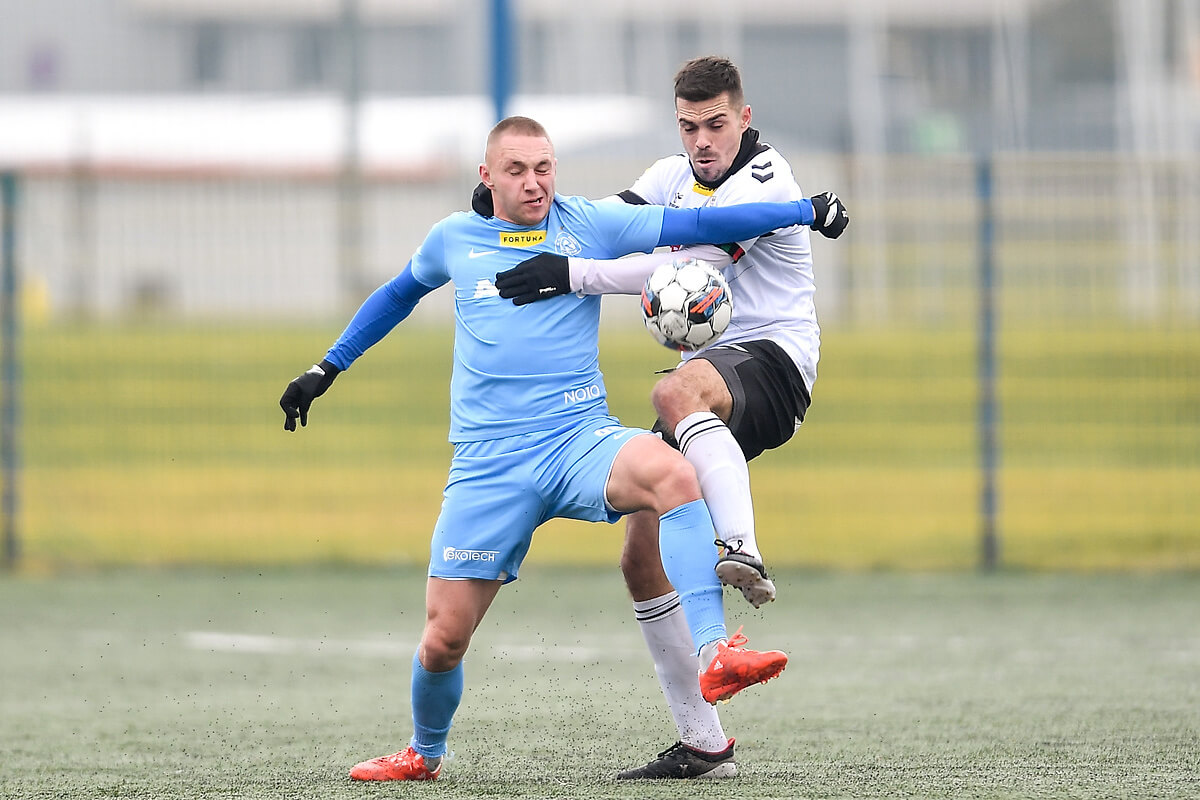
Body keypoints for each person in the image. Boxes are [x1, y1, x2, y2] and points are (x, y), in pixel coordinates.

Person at [278, 115, 835, 782]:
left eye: (544, 167)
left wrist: (807, 209)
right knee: (443, 639)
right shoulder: (454, 239)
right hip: (489, 465)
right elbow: (398, 295)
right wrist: (326, 368)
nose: (534, 182)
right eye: (517, 170)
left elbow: (698, 228)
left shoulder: (589, 222)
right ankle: (423, 753)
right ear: (487, 176)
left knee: (671, 474)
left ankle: (718, 653)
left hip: (578, 439)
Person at [489, 56, 848, 779]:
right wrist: (505, 205)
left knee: (674, 393)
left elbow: (689, 263)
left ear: (743, 119)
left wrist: (569, 274)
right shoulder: (668, 173)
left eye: (716, 124)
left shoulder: (765, 179)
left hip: (774, 362)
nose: (702, 141)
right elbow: (601, 222)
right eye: (689, 126)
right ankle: (705, 742)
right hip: (717, 372)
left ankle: (741, 548)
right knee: (640, 555)